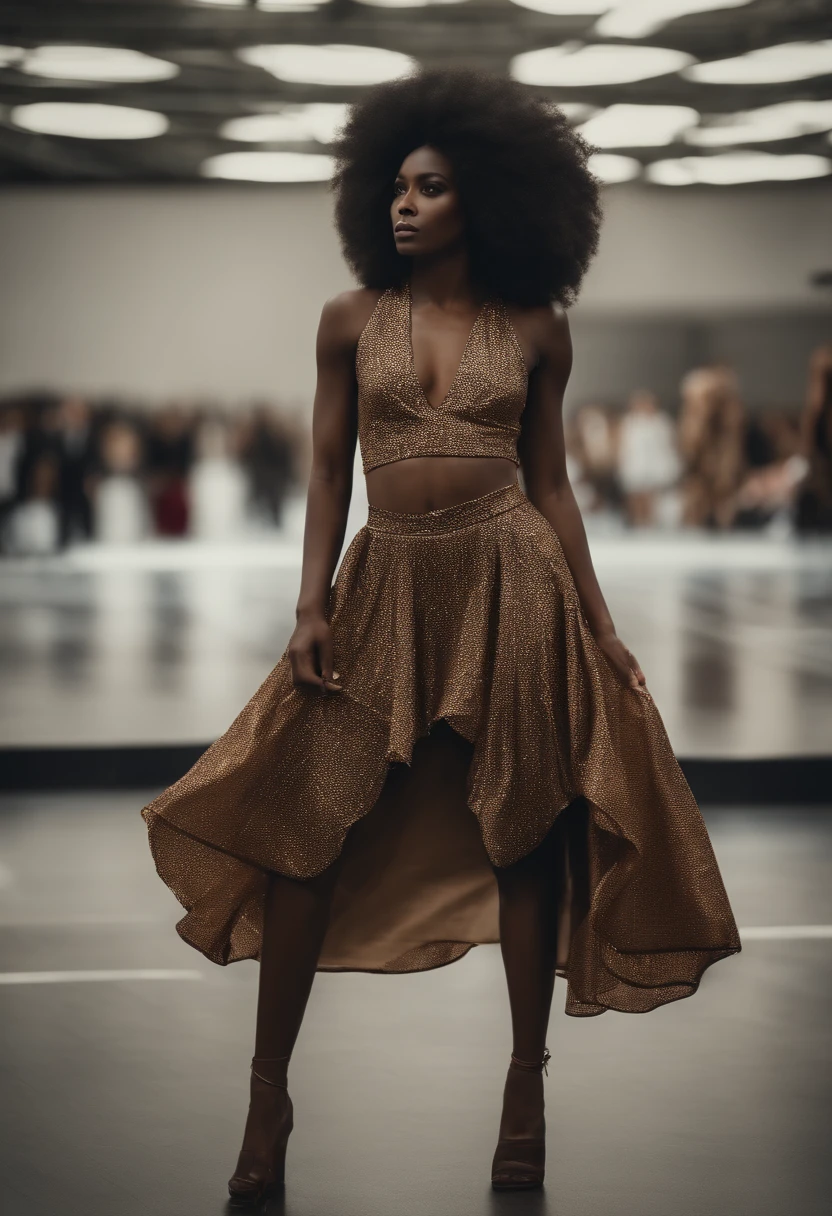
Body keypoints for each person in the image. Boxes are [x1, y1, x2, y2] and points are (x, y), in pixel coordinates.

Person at [140, 69, 741, 1201]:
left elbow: (554, 489)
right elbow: (326, 470)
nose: (403, 206)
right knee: (305, 829)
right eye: (398, 187)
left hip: (511, 580)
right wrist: (309, 600)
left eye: (431, 188)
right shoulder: (349, 321)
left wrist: (602, 628)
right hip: (384, 587)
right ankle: (267, 1091)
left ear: (490, 201)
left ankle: (526, 1087)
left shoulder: (536, 331)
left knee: (523, 829)